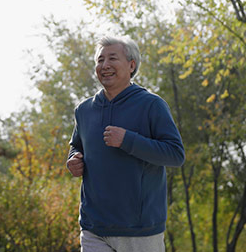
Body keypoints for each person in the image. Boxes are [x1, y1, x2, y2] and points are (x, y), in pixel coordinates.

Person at [66, 36, 185, 252]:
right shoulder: (84, 110)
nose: (105, 65)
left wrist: (128, 140)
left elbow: (175, 155)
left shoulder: (152, 105)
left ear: (132, 65)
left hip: (140, 230)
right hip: (94, 228)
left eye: (112, 58)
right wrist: (73, 159)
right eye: (100, 60)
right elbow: (77, 146)